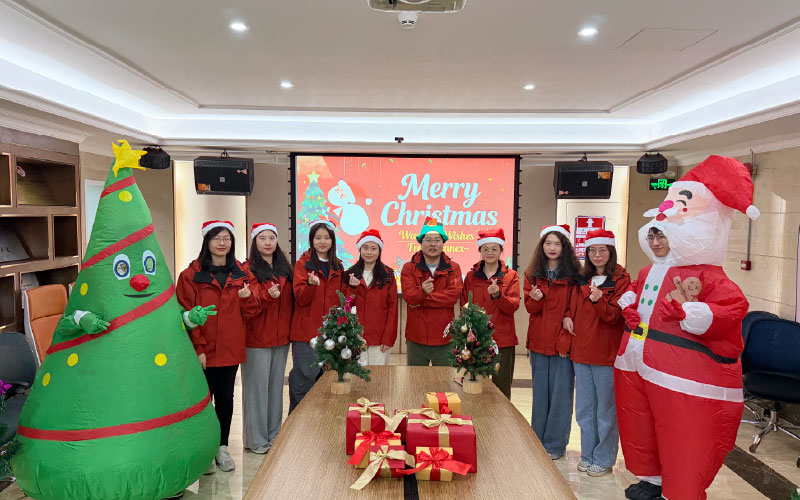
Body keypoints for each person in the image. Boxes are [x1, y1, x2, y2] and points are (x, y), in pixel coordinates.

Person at [615, 155, 756, 500]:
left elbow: (731, 310)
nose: (656, 242)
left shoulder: (709, 276)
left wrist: (692, 313)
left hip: (682, 375)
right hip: (639, 363)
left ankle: (679, 492)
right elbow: (637, 293)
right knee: (641, 425)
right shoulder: (649, 271)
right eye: (653, 235)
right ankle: (652, 480)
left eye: (662, 235)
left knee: (683, 434)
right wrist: (630, 307)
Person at [176, 220, 260, 474]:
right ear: (207, 241)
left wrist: (247, 299)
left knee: (225, 399)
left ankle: (222, 448)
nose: (222, 243)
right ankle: (204, 451)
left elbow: (252, 311)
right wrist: (198, 348)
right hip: (203, 350)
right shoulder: (190, 276)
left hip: (230, 349)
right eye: (217, 238)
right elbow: (187, 314)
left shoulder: (242, 274)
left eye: (227, 238)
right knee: (202, 401)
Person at [562, 229, 629, 477]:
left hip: (606, 355)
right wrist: (567, 316)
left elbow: (614, 317)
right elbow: (571, 308)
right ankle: (588, 454)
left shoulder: (622, 281)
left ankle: (604, 458)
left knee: (605, 411)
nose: (597, 255)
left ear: (611, 252)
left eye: (602, 250)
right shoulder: (581, 279)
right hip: (581, 352)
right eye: (592, 250)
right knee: (584, 410)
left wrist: (598, 300)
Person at [523, 224, 581, 460]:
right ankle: (538, 441)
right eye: (548, 243)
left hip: (562, 343)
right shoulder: (532, 274)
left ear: (565, 247)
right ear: (542, 246)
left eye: (557, 243)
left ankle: (555, 445)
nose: (552, 248)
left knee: (561, 396)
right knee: (540, 395)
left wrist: (568, 316)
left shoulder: (575, 276)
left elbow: (575, 308)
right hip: (538, 342)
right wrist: (535, 299)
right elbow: (530, 308)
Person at [241, 223, 293, 454]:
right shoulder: (247, 269)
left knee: (274, 390)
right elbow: (249, 306)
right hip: (257, 338)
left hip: (281, 339)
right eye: (262, 238)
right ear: (255, 241)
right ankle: (256, 440)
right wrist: (267, 296)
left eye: (272, 237)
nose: (268, 242)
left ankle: (274, 436)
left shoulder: (284, 268)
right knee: (256, 391)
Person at [289, 219, 345, 412]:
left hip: (330, 335)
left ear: (332, 241)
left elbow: (342, 300)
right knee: (304, 380)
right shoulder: (303, 265)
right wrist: (310, 286)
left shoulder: (338, 267)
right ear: (311, 240)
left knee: (327, 380)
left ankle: (321, 423)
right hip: (306, 333)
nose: (322, 241)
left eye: (326, 238)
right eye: (318, 237)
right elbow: (300, 298)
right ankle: (297, 424)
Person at [461, 228, 520, 398]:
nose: (490, 252)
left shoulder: (511, 276)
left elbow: (512, 307)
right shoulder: (471, 276)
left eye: (494, 249)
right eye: (485, 249)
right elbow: (464, 307)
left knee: (502, 390)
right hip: (476, 341)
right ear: (480, 251)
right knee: (476, 389)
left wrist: (497, 295)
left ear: (501, 251)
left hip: (503, 341)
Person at [401, 217, 463, 366]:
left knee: (444, 379)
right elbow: (408, 297)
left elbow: (452, 297)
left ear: (443, 243)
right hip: (416, 336)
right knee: (415, 378)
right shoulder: (409, 268)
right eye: (428, 240)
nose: (433, 244)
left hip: (444, 337)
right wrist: (421, 292)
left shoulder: (454, 268)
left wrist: (421, 298)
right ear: (421, 242)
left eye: (437, 240)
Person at [343, 229, 398, 365]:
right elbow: (345, 307)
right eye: (365, 248)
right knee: (356, 376)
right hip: (355, 338)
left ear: (379, 251)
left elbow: (393, 309)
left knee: (379, 377)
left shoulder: (388, 275)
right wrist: (353, 288)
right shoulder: (350, 274)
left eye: (373, 248)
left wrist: (388, 338)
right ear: (360, 250)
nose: (369, 252)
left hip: (379, 339)